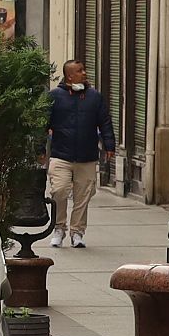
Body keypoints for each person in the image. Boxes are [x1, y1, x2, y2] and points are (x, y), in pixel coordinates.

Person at [46, 59, 115, 248]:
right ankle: (59, 228)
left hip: (87, 157)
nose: (84, 73)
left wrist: (109, 145)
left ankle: (77, 232)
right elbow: (42, 124)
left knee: (83, 196)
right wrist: (39, 150)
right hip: (61, 155)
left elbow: (105, 122)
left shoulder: (95, 97)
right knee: (58, 191)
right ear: (69, 76)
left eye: (83, 70)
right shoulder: (54, 97)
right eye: (79, 71)